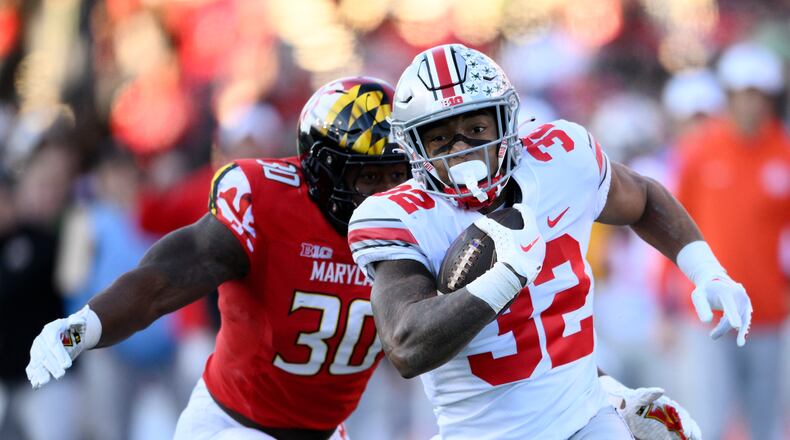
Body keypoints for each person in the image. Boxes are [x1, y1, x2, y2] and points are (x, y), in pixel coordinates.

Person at [349, 44, 751, 439]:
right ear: (415, 148)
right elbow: (405, 346)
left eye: (475, 130)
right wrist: (505, 277)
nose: (463, 151)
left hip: (587, 421)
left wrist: (707, 271)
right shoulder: (402, 217)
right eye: (440, 139)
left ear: (506, 122)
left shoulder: (560, 158)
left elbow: (642, 198)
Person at [25, 76, 411, 440]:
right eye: (370, 177)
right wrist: (78, 330)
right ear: (325, 173)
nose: (389, 193)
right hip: (234, 425)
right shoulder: (266, 201)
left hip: (326, 430)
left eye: (398, 175)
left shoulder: (420, 218)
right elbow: (164, 279)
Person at [665, 41, 789, 440]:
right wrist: (664, 303)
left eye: (758, 95)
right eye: (742, 94)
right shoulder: (700, 152)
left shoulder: (784, 153)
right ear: (730, 96)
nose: (750, 105)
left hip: (769, 312)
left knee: (766, 421)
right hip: (708, 310)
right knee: (707, 422)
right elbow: (668, 224)